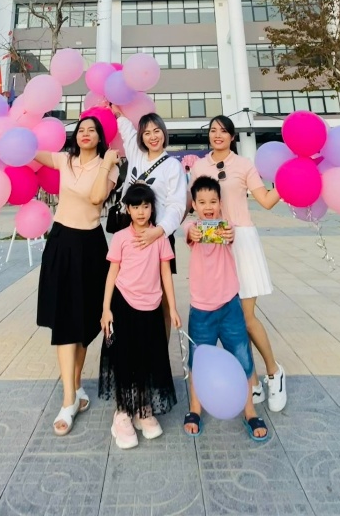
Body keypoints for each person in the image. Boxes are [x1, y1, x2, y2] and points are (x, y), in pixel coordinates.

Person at [188, 115, 286, 411]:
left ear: (232, 137)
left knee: (245, 317)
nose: (217, 135)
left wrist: (290, 177)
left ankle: (274, 372)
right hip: (212, 245)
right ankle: (251, 383)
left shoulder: (243, 165)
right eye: (213, 130)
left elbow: (266, 200)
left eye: (223, 131)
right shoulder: (199, 166)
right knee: (229, 320)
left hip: (241, 241)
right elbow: (190, 205)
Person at [36, 115, 120, 436]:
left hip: (91, 246)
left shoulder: (109, 167)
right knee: (63, 320)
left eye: (92, 130)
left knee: (84, 322)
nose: (85, 134)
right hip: (61, 242)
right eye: (81, 130)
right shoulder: (64, 160)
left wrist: (106, 162)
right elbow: (29, 152)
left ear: (100, 137)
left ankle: (76, 385)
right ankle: (68, 399)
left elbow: (97, 198)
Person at [183, 176, 270, 442]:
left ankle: (250, 411)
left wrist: (228, 234)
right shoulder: (192, 228)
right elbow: (189, 232)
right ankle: (195, 409)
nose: (208, 206)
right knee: (198, 360)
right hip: (201, 310)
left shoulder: (226, 227)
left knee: (242, 356)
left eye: (213, 201)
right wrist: (193, 231)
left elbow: (230, 235)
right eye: (201, 202)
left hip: (230, 305)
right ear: (194, 205)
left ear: (220, 203)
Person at [99, 182, 181, 449]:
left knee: (148, 357)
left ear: (152, 209)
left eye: (146, 206)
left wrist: (173, 307)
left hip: (152, 306)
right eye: (136, 207)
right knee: (125, 357)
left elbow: (166, 273)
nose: (142, 212)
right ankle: (122, 413)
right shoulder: (121, 237)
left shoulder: (160, 238)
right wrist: (106, 309)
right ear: (128, 209)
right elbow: (112, 273)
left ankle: (143, 409)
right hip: (123, 304)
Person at [113, 109, 187, 336]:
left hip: (158, 235)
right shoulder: (136, 154)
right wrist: (118, 114)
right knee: (126, 286)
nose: (153, 137)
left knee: (160, 293)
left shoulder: (172, 165)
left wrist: (159, 232)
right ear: (141, 137)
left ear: (164, 133)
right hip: (129, 232)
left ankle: (159, 347)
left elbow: (177, 205)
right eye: (147, 133)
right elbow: (127, 131)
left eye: (157, 131)